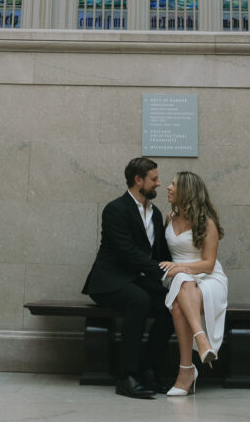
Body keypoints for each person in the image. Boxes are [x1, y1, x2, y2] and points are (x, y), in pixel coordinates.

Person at [82, 157, 174, 400]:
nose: (158, 183)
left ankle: (150, 370)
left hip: (137, 280)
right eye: (153, 179)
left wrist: (178, 270)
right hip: (109, 281)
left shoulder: (155, 214)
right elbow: (127, 253)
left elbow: (160, 254)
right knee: (140, 301)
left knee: (171, 303)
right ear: (138, 180)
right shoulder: (115, 209)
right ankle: (127, 377)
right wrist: (163, 270)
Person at [160, 171, 228, 396]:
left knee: (180, 294)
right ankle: (201, 343)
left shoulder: (207, 222)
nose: (168, 187)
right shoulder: (169, 217)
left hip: (208, 279)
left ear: (186, 191)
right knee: (181, 281)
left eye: (173, 184)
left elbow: (208, 264)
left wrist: (181, 267)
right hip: (181, 281)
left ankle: (187, 370)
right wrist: (177, 269)